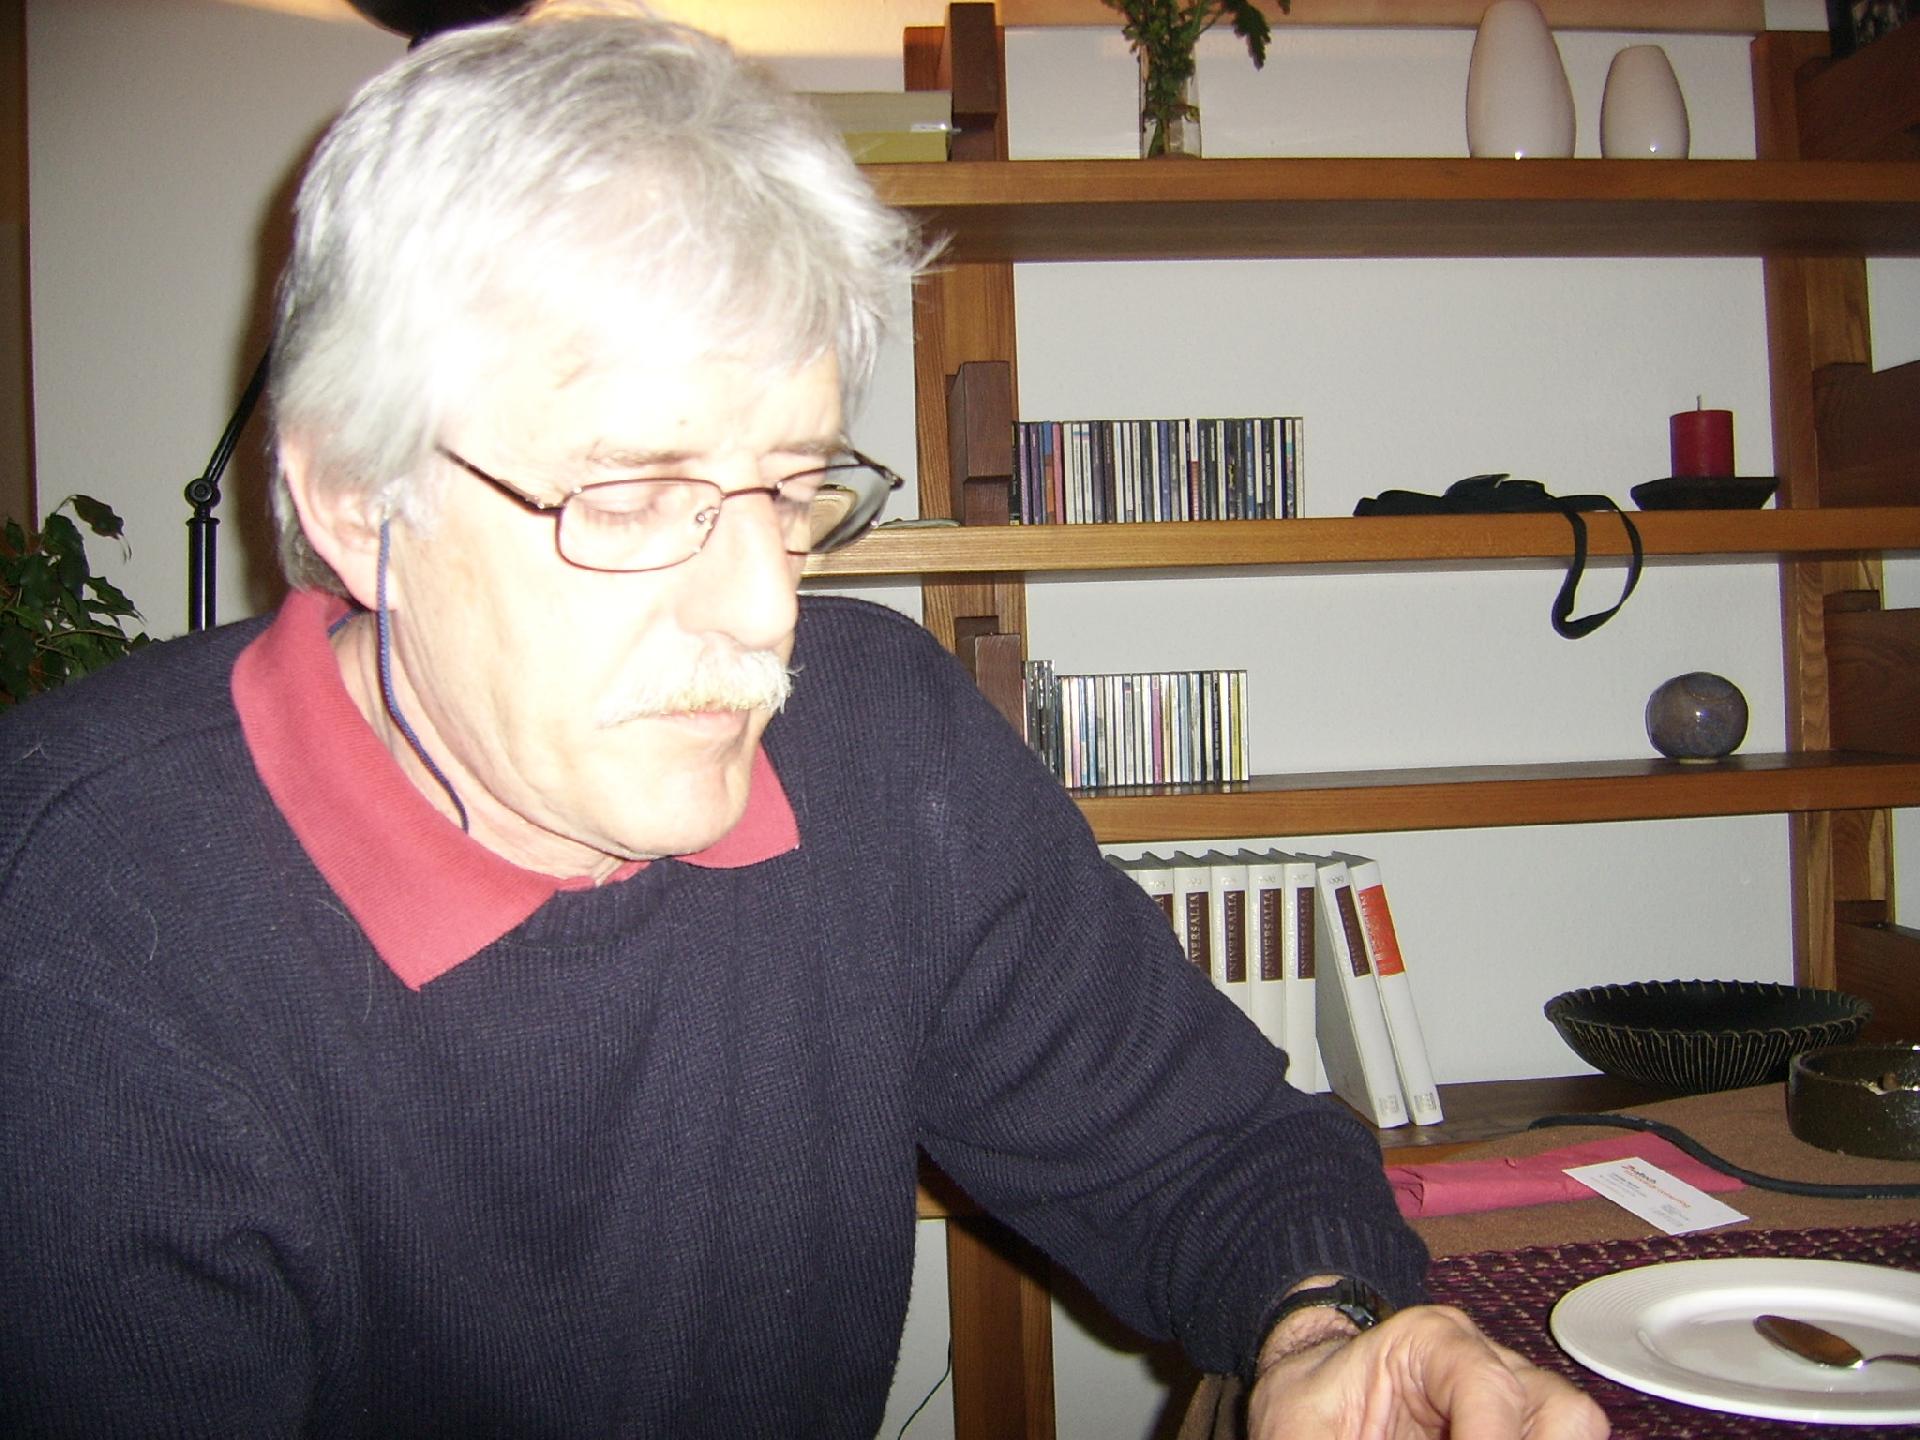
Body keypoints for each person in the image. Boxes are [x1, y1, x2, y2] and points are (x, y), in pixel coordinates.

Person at [0, 5, 1607, 1437]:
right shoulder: (84, 925)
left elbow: (1209, 1149)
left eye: (788, 486)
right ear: (356, 501)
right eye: (634, 493)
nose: (765, 608)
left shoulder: (874, 741)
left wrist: (1325, 1331)